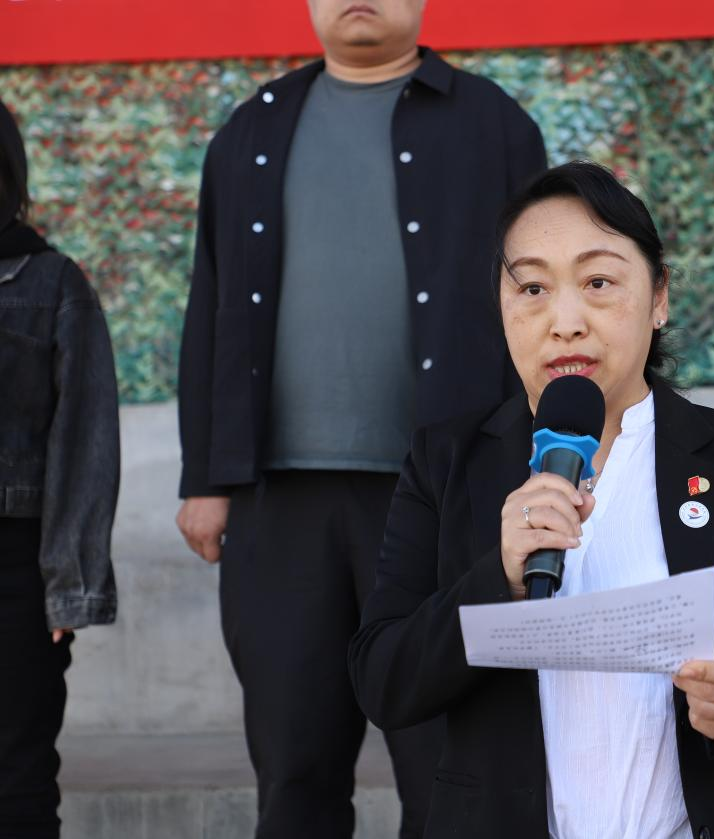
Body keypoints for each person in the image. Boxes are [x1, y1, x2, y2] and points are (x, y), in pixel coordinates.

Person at [348, 161, 714, 838]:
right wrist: (497, 578)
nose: (565, 323)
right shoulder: (448, 462)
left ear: (659, 296)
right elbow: (383, 682)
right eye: (532, 287)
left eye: (599, 283)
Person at [173, 1, 547, 836]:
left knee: (448, 766)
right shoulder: (251, 129)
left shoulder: (494, 125)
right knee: (294, 764)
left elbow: (540, 299)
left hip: (444, 496)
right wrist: (204, 476)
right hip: (277, 500)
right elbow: (212, 303)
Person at [0, 100, 120, 839]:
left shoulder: (50, 283)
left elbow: (84, 440)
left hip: (13, 570)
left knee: (15, 782)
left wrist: (68, 584)